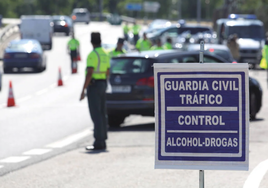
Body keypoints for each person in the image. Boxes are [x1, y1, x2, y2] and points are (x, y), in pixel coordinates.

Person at [80, 32, 110, 151]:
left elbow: (90, 73)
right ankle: (103, 140)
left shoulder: (92, 55)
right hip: (102, 84)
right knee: (102, 113)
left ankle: (98, 141)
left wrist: (83, 89)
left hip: (94, 86)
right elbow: (108, 71)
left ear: (91, 42)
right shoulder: (105, 54)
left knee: (96, 114)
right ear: (100, 41)